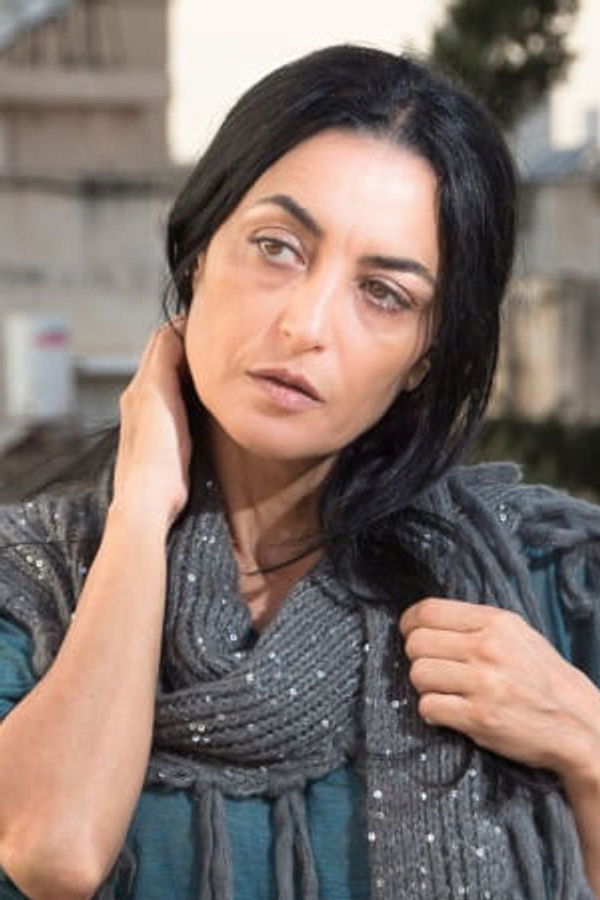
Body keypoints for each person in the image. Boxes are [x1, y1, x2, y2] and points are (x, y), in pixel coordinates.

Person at [0, 43, 599, 900]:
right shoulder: (31, 587)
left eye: (383, 293)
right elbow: (53, 849)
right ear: (199, 252)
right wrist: (139, 512)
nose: (307, 325)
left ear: (425, 356)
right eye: (277, 248)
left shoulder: (551, 586)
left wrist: (589, 744)